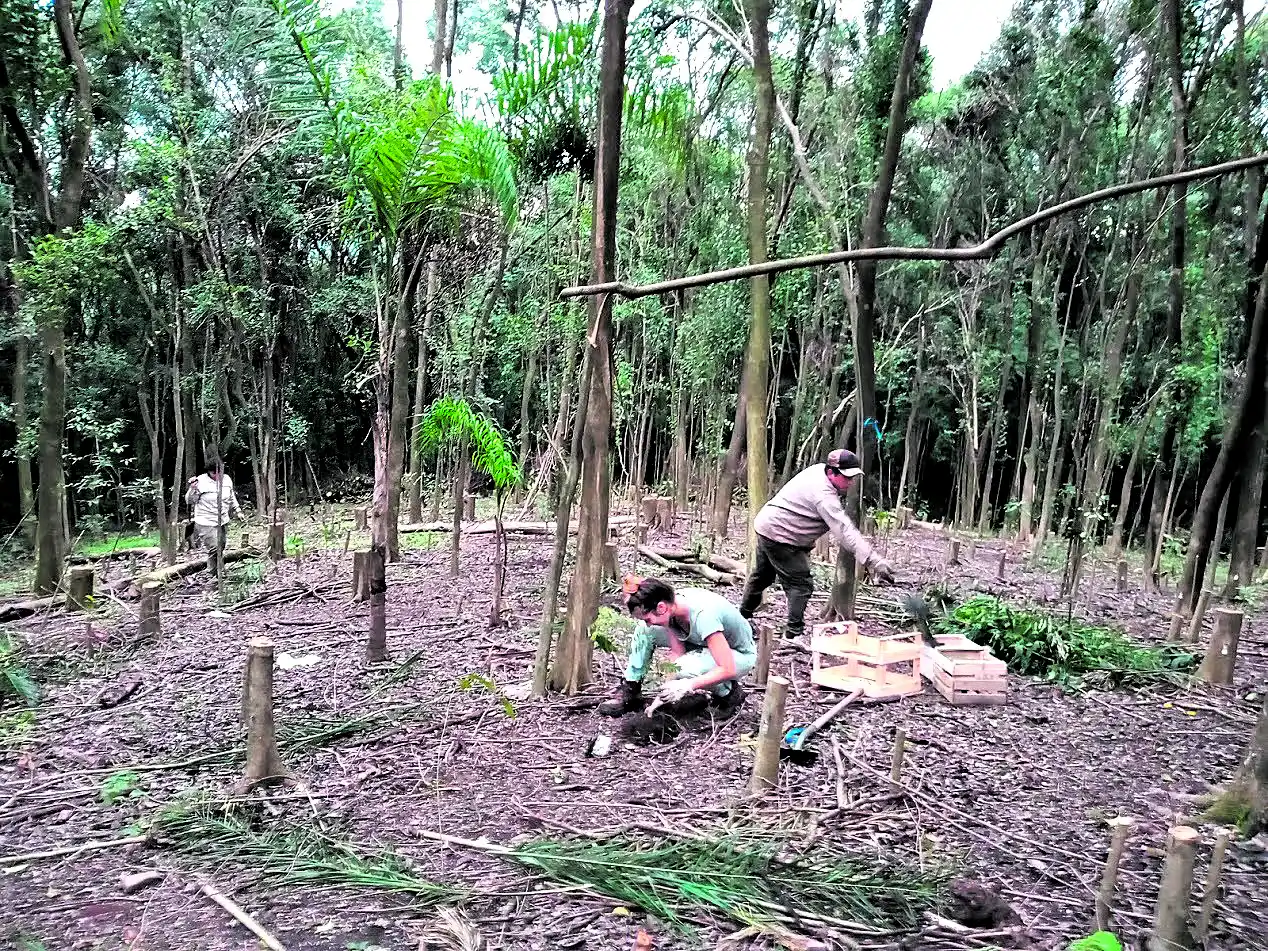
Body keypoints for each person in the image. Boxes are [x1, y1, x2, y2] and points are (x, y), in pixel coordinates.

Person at [740, 448, 894, 643]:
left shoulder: (818, 471)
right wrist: (874, 560)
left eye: (852, 477)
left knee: (762, 577)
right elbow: (844, 530)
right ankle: (793, 634)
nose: (850, 482)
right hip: (781, 535)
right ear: (831, 472)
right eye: (846, 477)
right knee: (801, 585)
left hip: (767, 525)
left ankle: (741, 618)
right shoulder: (824, 496)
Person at [599, 577, 756, 719]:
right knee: (644, 630)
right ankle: (632, 689)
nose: (648, 622)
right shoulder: (670, 607)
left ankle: (728, 694)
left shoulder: (704, 615)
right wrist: (664, 695)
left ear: (661, 608)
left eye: (648, 618)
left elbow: (727, 668)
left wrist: (687, 685)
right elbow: (677, 652)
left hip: (737, 655)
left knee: (684, 668)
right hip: (701, 643)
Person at [186, 458, 246, 575]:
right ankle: (214, 572)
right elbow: (189, 500)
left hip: (222, 519)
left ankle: (218, 570)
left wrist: (238, 510)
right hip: (205, 520)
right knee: (214, 547)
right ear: (209, 472)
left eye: (219, 472)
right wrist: (192, 489)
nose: (217, 475)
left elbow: (231, 495)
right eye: (214, 473)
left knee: (222, 545)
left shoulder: (227, 479)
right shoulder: (200, 481)